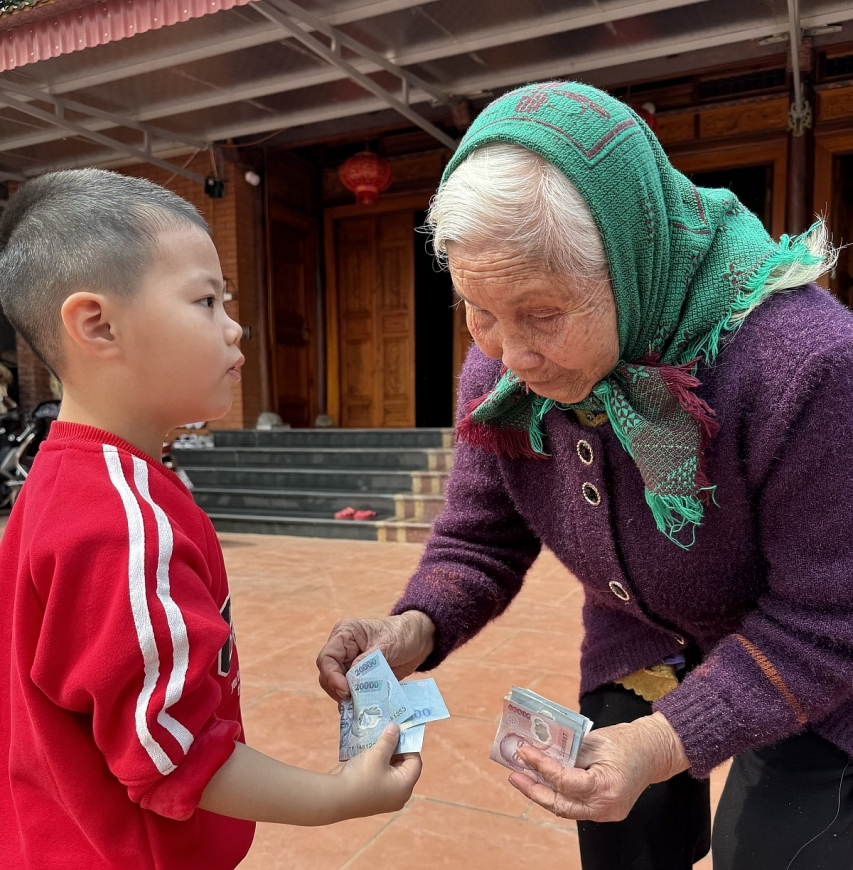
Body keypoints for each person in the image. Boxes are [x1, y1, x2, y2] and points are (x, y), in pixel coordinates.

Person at [317, 81, 853, 870]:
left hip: (813, 649)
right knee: (619, 835)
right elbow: (479, 539)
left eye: (542, 313)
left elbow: (823, 622)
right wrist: (413, 630)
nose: (511, 356)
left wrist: (666, 740)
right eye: (478, 309)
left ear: (632, 264)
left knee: (772, 850)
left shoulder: (808, 366)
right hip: (643, 628)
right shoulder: (499, 374)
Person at [0, 169, 421, 870]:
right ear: (98, 325)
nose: (235, 328)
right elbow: (176, 756)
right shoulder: (123, 525)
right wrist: (339, 794)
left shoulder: (65, 478)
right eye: (205, 300)